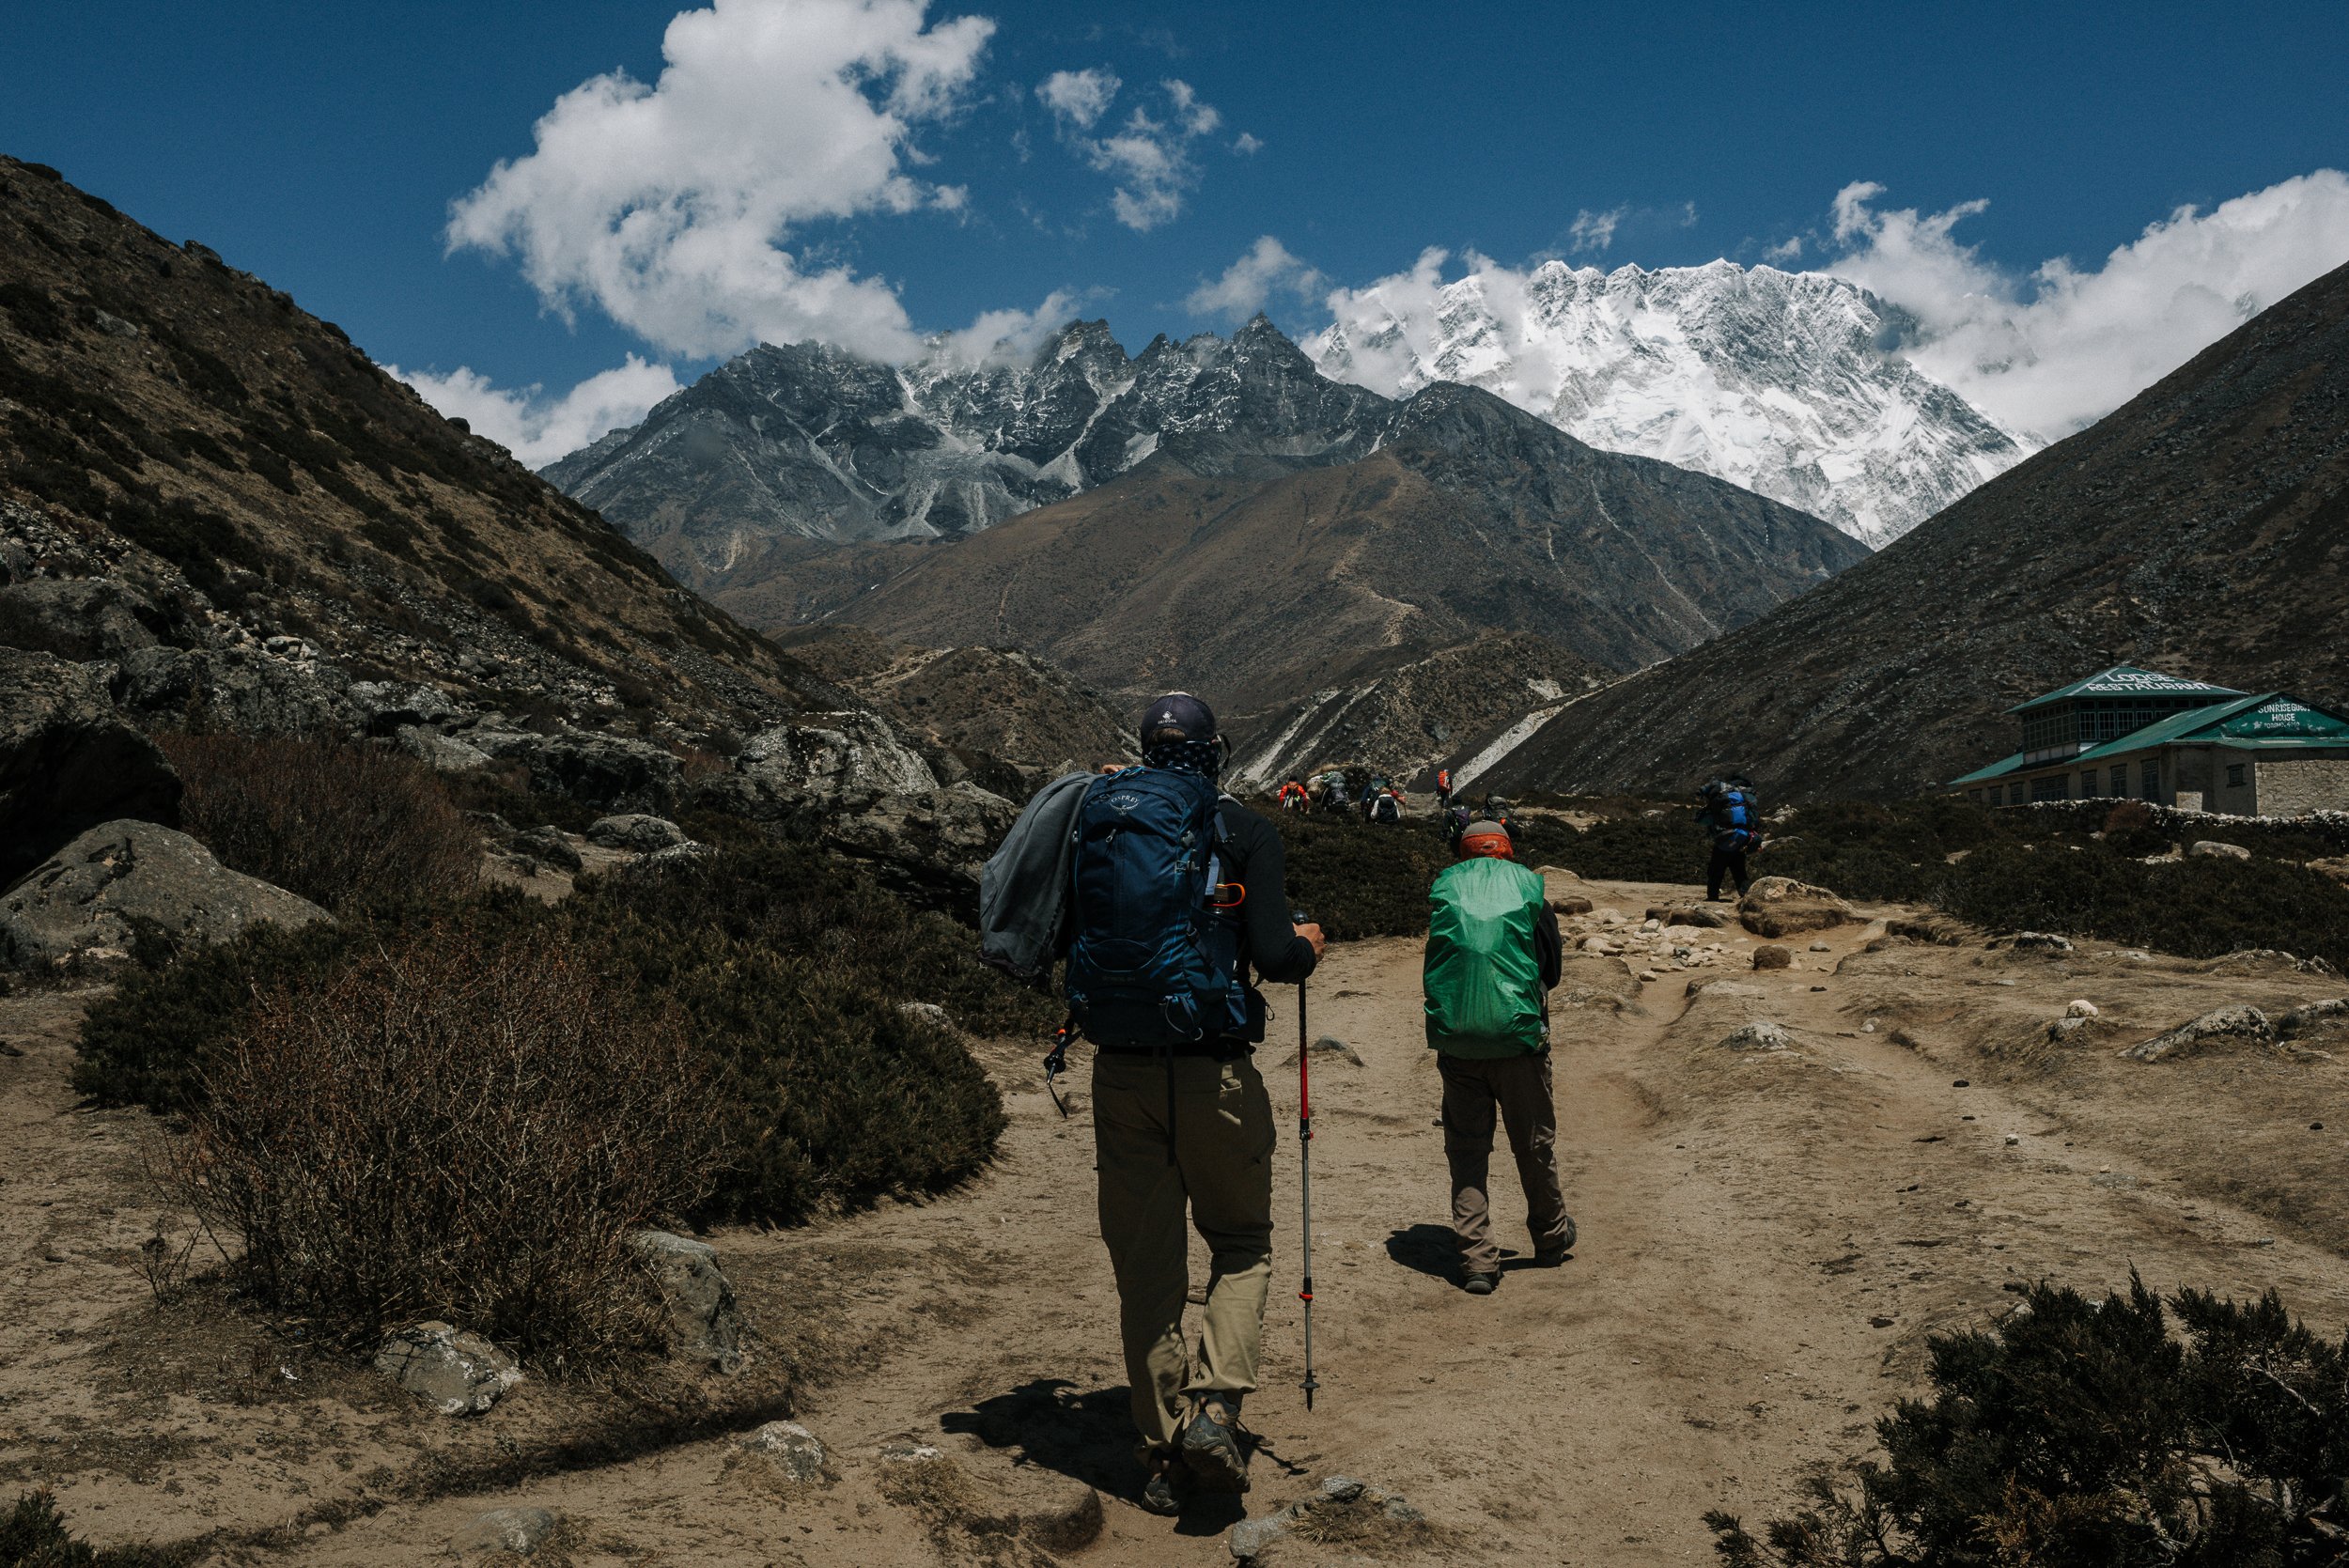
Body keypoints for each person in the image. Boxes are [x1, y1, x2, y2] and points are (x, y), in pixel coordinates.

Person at [1066, 691, 1325, 1515]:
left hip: (1120, 1071)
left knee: (1146, 1269)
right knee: (1242, 1241)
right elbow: (1278, 956)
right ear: (1212, 754)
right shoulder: (1241, 829)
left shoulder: (1096, 820)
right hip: (1213, 1069)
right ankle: (1215, 1409)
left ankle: (1160, 1449)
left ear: (1145, 749)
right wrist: (1310, 945)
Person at [1421, 819, 1573, 1295]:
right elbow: (1553, 968)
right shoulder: (1530, 891)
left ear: (1462, 853)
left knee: (1467, 1150)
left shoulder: (1448, 890)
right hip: (1520, 1040)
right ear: (1506, 850)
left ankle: (1478, 1261)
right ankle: (1549, 1238)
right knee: (1533, 1143)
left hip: (1459, 1043)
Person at [1696, 775, 1761, 901]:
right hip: (1742, 837)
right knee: (1739, 869)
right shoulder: (1745, 797)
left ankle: (1712, 897)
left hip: (1724, 837)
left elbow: (1703, 819)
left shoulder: (1721, 796)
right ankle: (1746, 897)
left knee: (1716, 869)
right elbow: (1754, 819)